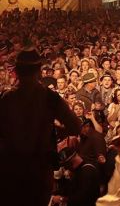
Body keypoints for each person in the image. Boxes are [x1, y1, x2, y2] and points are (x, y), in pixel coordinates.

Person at [0, 47, 81, 206]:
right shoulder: (50, 98)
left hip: (10, 170)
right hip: (39, 171)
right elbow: (76, 126)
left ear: (17, 72)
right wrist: (56, 127)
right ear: (38, 71)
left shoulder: (7, 98)